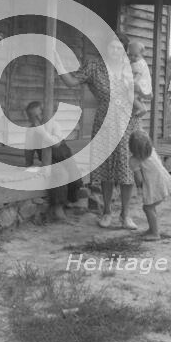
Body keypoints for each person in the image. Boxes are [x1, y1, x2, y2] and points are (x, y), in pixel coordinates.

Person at [55, 32, 140, 229]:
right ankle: (107, 212)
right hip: (105, 122)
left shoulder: (130, 69)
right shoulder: (94, 67)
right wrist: (58, 63)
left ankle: (125, 215)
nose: (116, 51)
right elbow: (71, 81)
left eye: (120, 47)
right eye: (112, 47)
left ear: (124, 50)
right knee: (106, 169)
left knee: (127, 169)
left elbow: (141, 94)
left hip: (128, 122)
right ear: (105, 49)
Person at [24, 101, 88, 220]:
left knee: (74, 176)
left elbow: (56, 144)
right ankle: (57, 207)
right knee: (61, 175)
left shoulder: (54, 125)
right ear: (29, 119)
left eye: (40, 115)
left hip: (64, 155)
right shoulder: (31, 131)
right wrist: (29, 163)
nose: (38, 119)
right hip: (50, 160)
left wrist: (42, 131)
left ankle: (71, 200)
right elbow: (28, 148)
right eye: (34, 117)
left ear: (46, 113)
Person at [128, 130, 171, 240]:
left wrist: (140, 187)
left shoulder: (134, 160)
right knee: (150, 207)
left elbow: (138, 178)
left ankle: (155, 233)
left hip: (154, 186)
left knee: (148, 208)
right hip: (164, 181)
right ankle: (152, 229)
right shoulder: (153, 151)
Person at [128, 40, 153, 118]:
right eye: (130, 55)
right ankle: (143, 108)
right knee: (137, 98)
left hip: (139, 83)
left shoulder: (138, 63)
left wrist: (134, 81)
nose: (132, 57)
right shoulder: (139, 62)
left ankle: (141, 108)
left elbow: (138, 74)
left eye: (136, 56)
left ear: (142, 55)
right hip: (142, 84)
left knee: (131, 96)